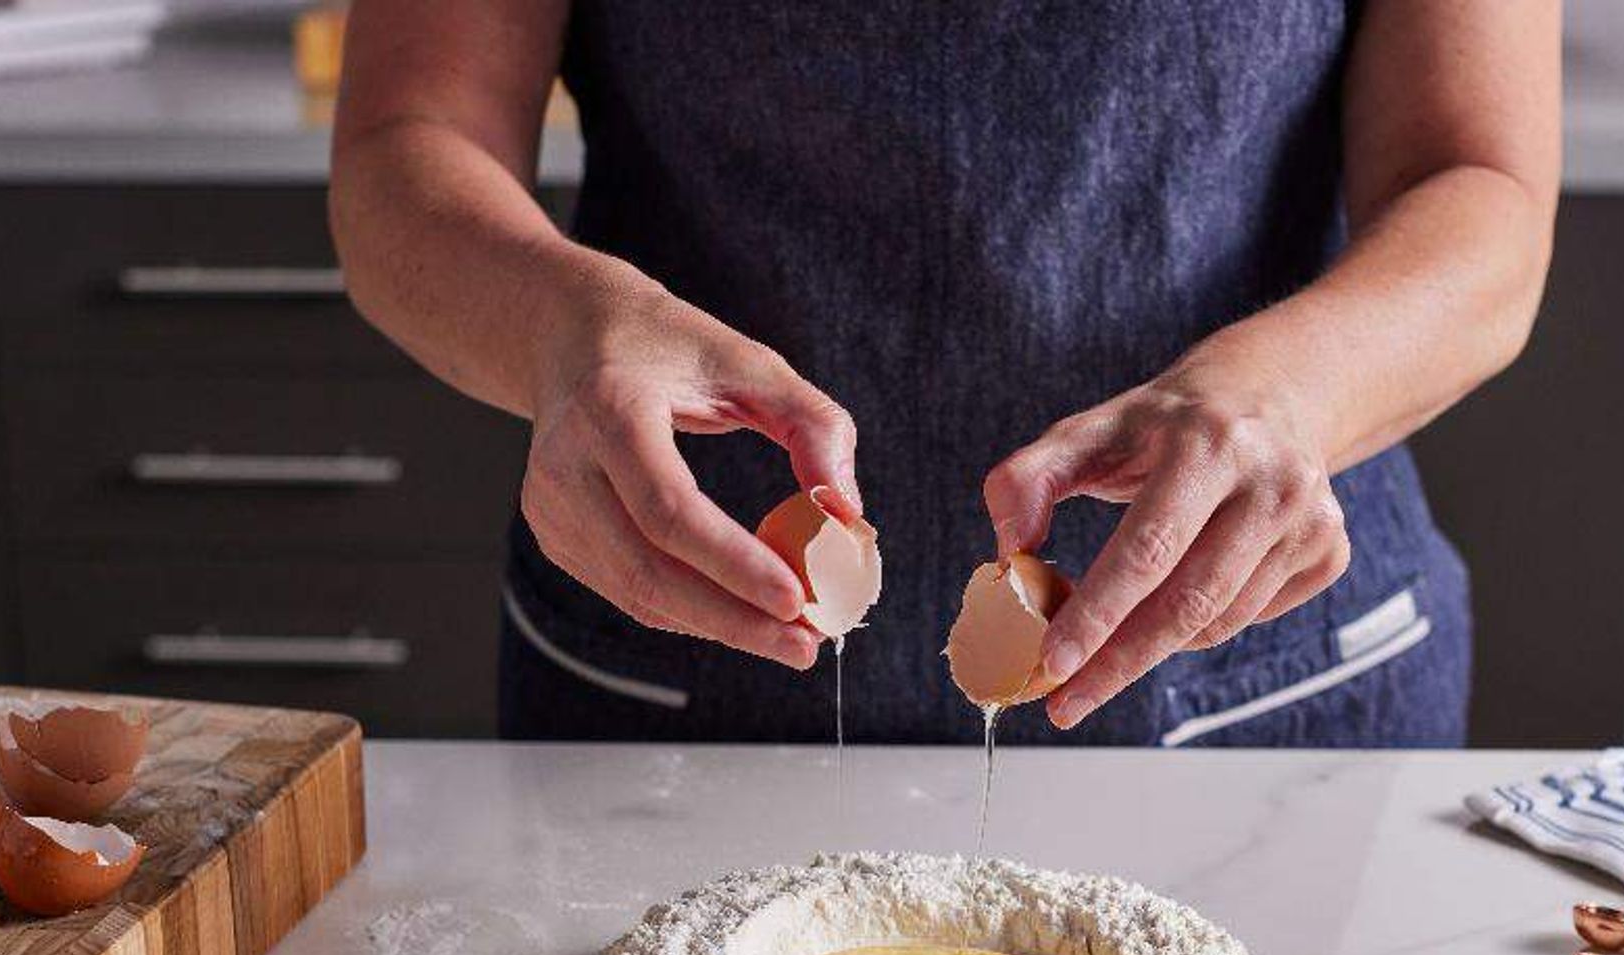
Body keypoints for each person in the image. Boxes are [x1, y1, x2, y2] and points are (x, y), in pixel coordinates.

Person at [331, 1, 1558, 747]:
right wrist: (562, 332)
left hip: (1256, 698)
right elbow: (406, 149)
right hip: (676, 687)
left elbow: (1482, 191)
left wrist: (1289, 391)